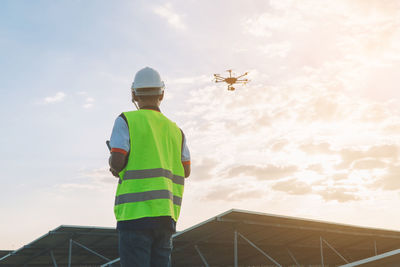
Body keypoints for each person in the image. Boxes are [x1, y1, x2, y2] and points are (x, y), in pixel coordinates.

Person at [108, 67, 191, 267]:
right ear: (161, 93)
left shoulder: (126, 120)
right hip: (165, 217)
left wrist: (114, 164)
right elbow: (186, 170)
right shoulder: (176, 130)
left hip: (134, 217)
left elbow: (118, 161)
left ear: (134, 93)